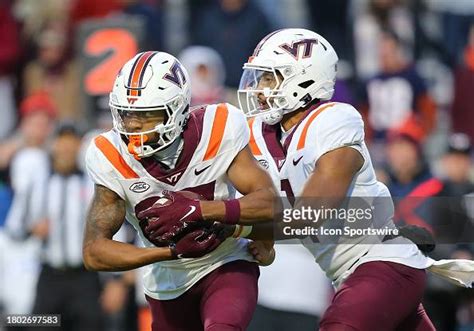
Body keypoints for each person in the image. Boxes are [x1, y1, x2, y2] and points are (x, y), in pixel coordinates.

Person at [237, 28, 474, 330]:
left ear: (304, 78)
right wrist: (260, 237)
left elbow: (311, 214)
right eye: (260, 78)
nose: (259, 88)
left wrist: (232, 222)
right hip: (360, 275)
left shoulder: (334, 120)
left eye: (269, 77)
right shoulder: (261, 135)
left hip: (380, 267)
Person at [83, 51, 277, 331]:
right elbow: (94, 252)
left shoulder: (218, 127)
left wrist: (199, 211)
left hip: (224, 262)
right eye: (126, 115)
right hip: (166, 282)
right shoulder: (109, 154)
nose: (133, 126)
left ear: (177, 109)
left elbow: (270, 204)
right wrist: (170, 252)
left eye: (146, 116)